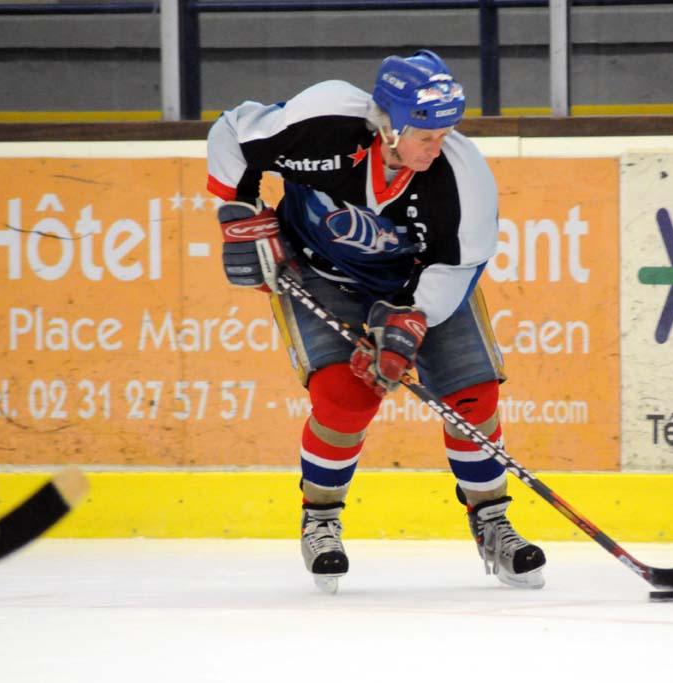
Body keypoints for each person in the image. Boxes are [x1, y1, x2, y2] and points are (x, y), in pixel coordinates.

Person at [205, 50, 546, 593]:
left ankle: (491, 520)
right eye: (426, 135)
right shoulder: (322, 121)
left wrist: (410, 322)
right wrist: (239, 210)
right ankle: (320, 518)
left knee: (472, 398)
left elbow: (457, 266)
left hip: (419, 288)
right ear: (388, 126)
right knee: (345, 398)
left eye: (445, 133)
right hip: (318, 274)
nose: (438, 147)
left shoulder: (463, 178)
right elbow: (231, 133)